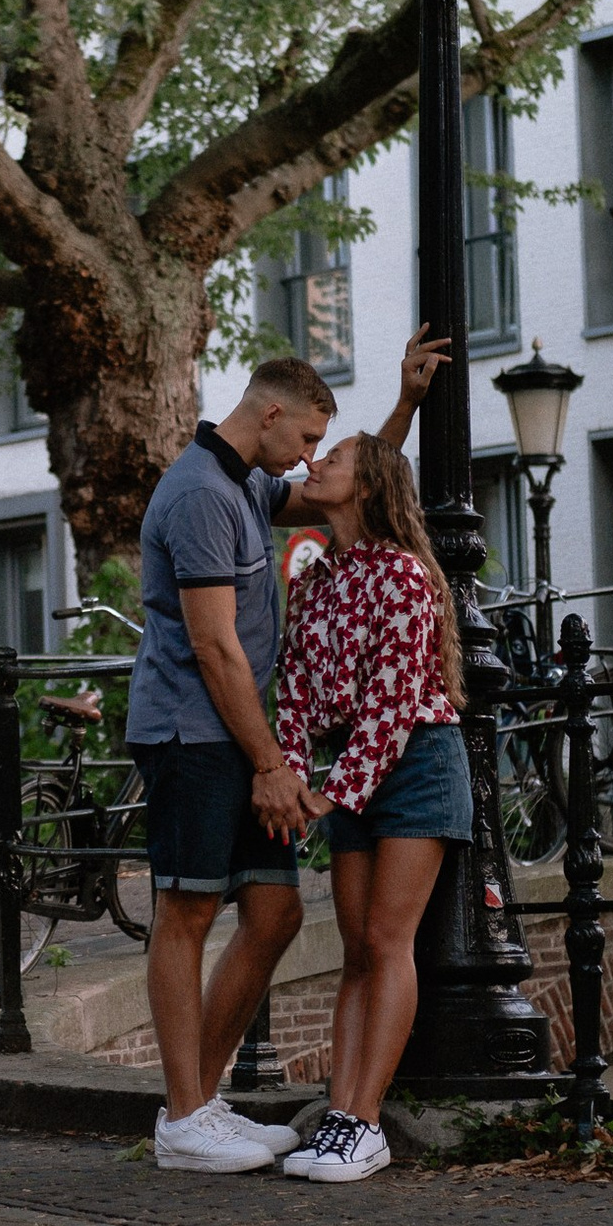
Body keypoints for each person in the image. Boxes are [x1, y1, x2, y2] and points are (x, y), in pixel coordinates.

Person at [126, 330, 448, 1174]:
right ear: (270, 414)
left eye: (320, 447)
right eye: (307, 438)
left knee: (274, 914)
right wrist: (275, 763)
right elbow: (215, 647)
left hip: (239, 736)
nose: (310, 459)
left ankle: (196, 1106)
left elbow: (356, 489)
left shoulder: (247, 482)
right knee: (186, 912)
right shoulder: (202, 494)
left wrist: (406, 404)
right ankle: (185, 1116)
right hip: (191, 732)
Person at [271, 430, 470, 1183]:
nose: (314, 463)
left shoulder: (406, 576)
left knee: (388, 940)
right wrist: (294, 783)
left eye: (334, 459)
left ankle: (365, 1122)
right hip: (352, 772)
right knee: (355, 948)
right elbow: (292, 693)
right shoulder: (314, 581)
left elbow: (392, 701)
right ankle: (339, 1116)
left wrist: (330, 792)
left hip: (417, 762)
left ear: (367, 486)